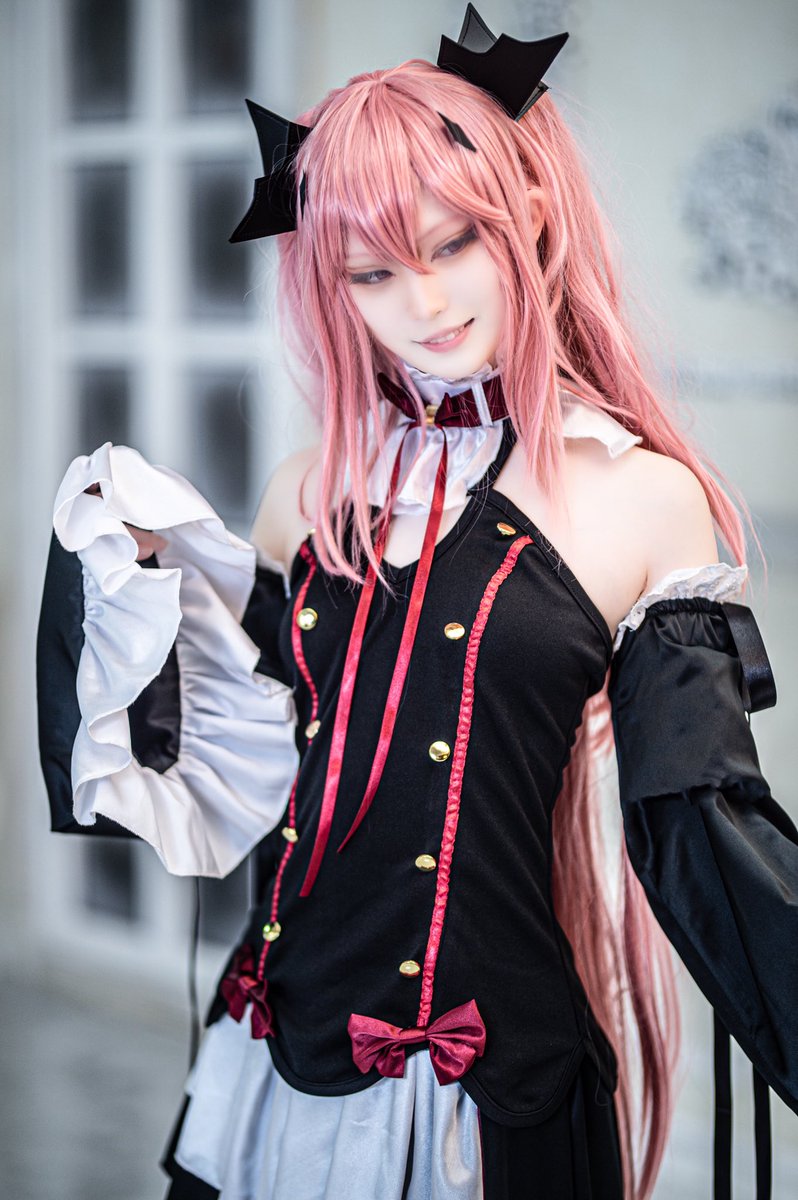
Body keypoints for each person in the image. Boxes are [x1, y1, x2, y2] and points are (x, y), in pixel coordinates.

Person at [36, 8, 798, 1199]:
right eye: (374, 272)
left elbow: (701, 822)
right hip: (271, 1056)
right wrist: (137, 581)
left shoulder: (641, 499)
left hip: (493, 1091)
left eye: (453, 244)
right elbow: (263, 761)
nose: (425, 302)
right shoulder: (309, 493)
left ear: (527, 211)